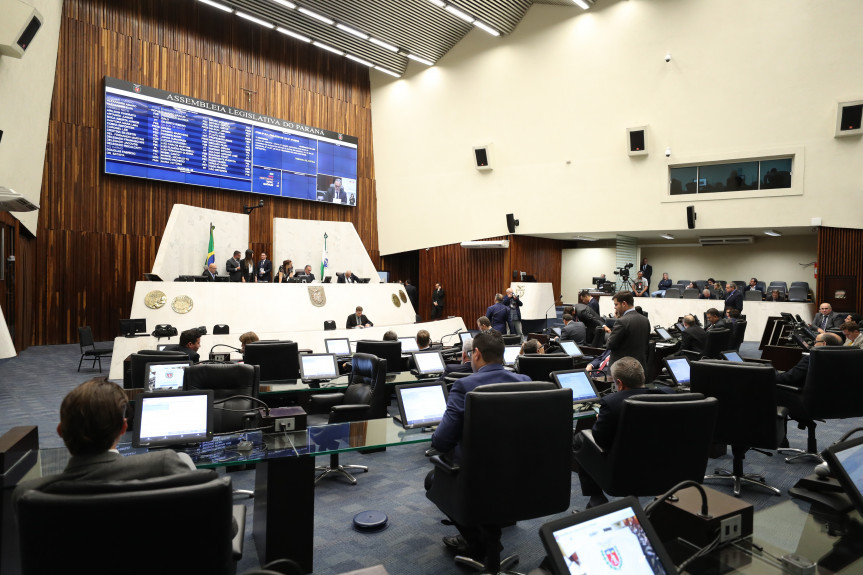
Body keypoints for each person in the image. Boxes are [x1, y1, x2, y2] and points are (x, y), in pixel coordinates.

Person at [427, 330, 531, 558]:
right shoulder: (525, 381)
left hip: (476, 477)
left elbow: (442, 442)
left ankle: (477, 543)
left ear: (476, 354)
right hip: (519, 473)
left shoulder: (464, 386)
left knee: (432, 480)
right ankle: (489, 534)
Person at [13, 378, 199, 503]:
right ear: (123, 428)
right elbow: (220, 526)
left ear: (60, 431)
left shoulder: (28, 494)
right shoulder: (163, 466)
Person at [574, 357, 650, 508]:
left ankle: (596, 497)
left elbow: (600, 439)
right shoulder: (664, 394)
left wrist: (600, 420)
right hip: (658, 462)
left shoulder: (611, 402)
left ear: (619, 384)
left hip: (622, 465)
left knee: (580, 439)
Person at [603, 291, 651, 370]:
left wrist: (618, 320)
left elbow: (610, 344)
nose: (615, 307)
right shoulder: (645, 320)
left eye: (616, 304)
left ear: (624, 304)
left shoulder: (622, 321)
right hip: (639, 367)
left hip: (621, 369)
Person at [776, 332, 841, 387]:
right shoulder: (843, 359)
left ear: (824, 344)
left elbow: (789, 378)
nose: (814, 344)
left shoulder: (812, 359)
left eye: (816, 342)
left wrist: (772, 372)